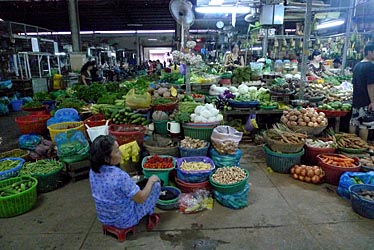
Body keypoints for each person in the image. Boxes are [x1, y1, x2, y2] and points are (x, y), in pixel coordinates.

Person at [89, 135, 161, 230]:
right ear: (106, 158)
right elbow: (141, 199)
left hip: (104, 218)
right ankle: (150, 213)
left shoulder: (93, 171)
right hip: (125, 221)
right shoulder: (120, 176)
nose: (121, 153)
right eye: (117, 151)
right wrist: (151, 180)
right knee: (155, 185)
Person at [349, 43, 374, 141]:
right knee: (364, 126)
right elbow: (371, 85)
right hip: (365, 101)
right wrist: (372, 101)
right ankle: (362, 146)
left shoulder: (357, 65)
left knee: (354, 122)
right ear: (369, 52)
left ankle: (350, 143)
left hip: (356, 100)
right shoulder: (370, 67)